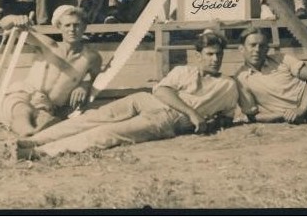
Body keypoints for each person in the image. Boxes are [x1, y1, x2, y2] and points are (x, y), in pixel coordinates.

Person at [15, 29, 239, 158]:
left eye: (218, 55)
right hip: (150, 101)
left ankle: (42, 152)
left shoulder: (227, 85)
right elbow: (162, 91)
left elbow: (227, 117)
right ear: (198, 55)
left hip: (169, 119)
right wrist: (193, 113)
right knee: (93, 118)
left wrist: (208, 123)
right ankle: (32, 141)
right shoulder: (184, 71)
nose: (215, 59)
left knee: (111, 132)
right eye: (209, 54)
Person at [0, 7, 102, 137]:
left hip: (51, 108)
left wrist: (84, 85)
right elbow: (5, 24)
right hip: (26, 95)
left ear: (84, 27)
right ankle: (27, 134)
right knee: (23, 111)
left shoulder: (92, 58)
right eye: (67, 25)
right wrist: (15, 19)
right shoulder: (49, 45)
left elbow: (96, 79)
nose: (72, 29)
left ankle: (33, 134)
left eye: (76, 25)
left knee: (45, 119)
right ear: (59, 27)